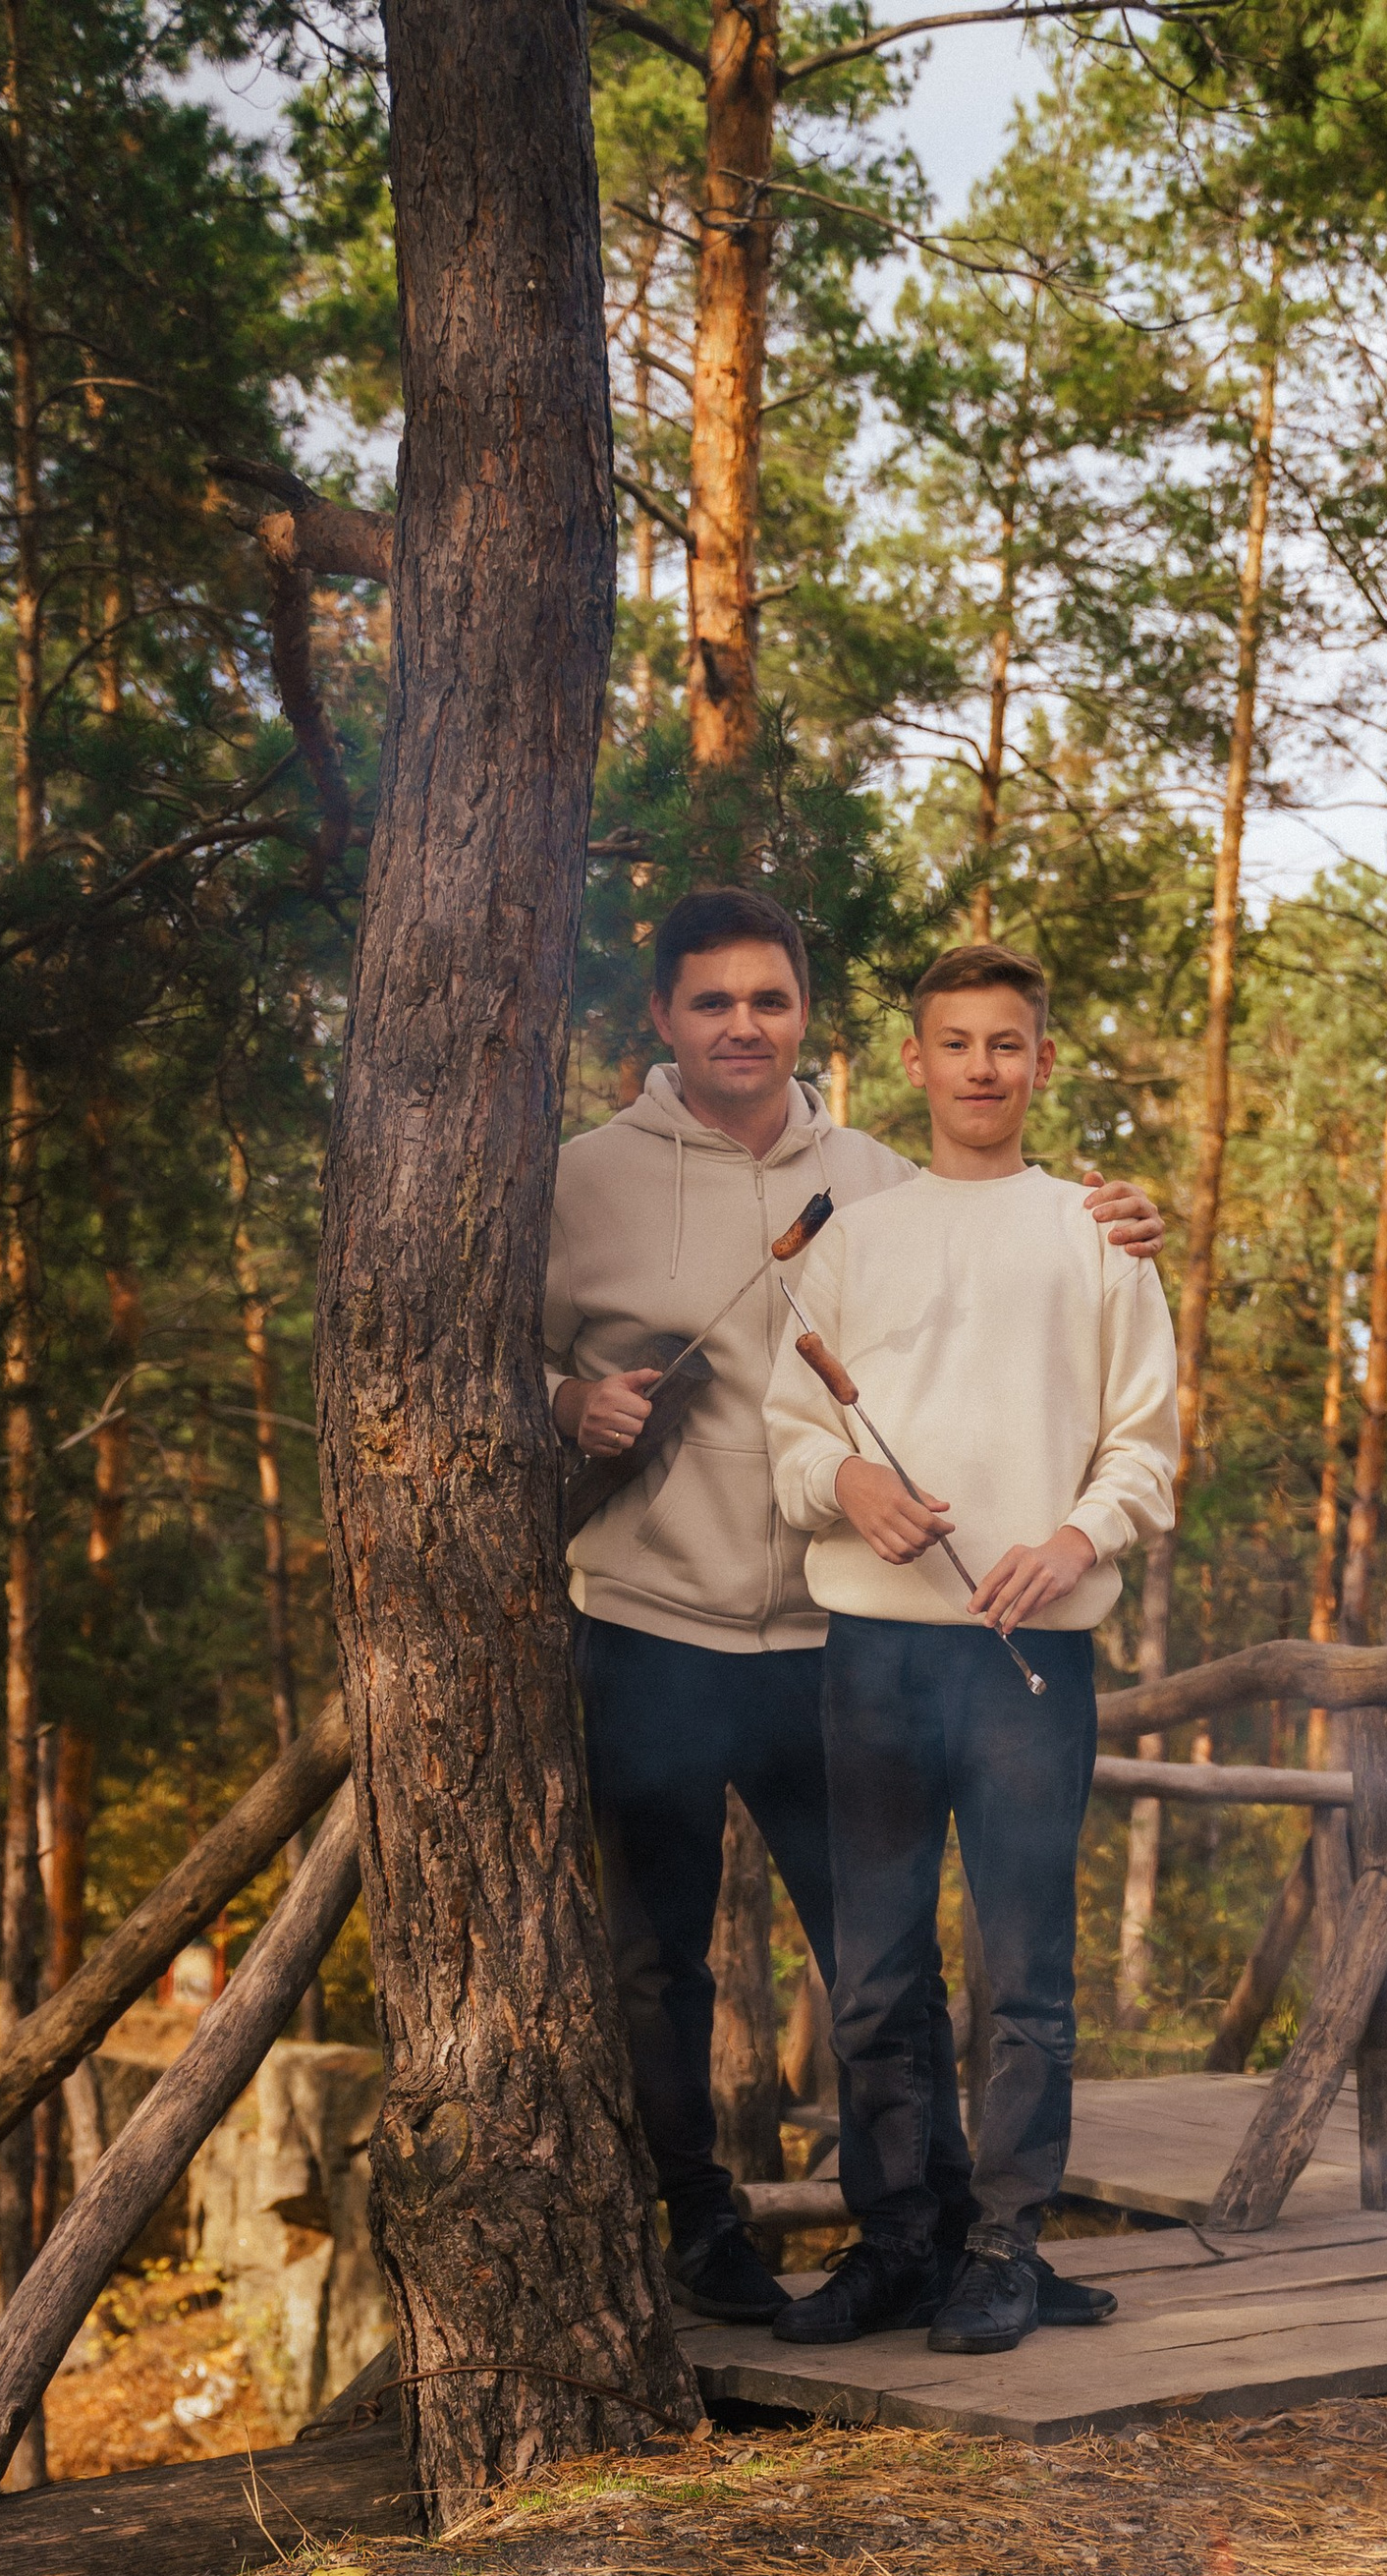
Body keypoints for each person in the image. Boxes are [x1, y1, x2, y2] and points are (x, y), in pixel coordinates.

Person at [543, 884, 1164, 2324]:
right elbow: (462, 1365)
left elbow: (1008, 1232)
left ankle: (943, 2237)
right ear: (662, 1019)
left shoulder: (882, 1181)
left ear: (810, 1019)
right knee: (657, 1958)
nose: (743, 1025)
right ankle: (698, 2218)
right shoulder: (582, 1182)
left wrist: (1109, 1211)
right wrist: (567, 1400)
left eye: (769, 999)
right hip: (653, 1622)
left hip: (839, 1643)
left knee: (876, 1963)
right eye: (712, 1001)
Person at [762, 943, 1179, 2356]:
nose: (983, 1068)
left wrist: (1077, 1538)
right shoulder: (858, 1239)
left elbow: (1145, 1444)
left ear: (1040, 1063)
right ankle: (899, 2243)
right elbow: (793, 1434)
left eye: (1009, 1043)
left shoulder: (1099, 1235)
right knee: (875, 1972)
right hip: (875, 1653)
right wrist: (848, 1486)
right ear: (919, 1063)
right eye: (957, 1043)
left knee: (1027, 1975)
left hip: (1032, 1659)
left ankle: (1005, 2246)